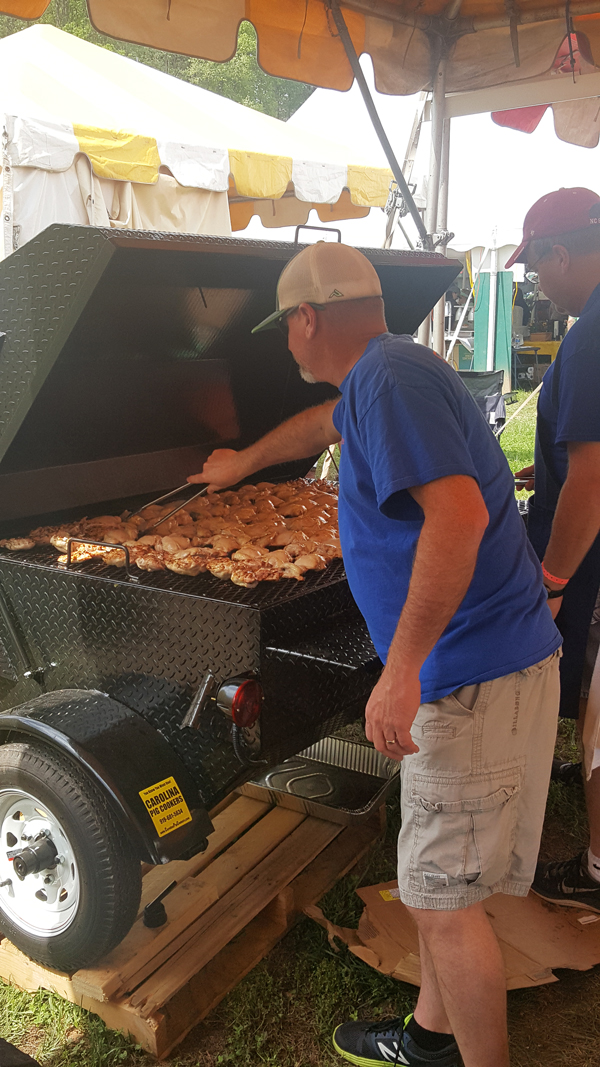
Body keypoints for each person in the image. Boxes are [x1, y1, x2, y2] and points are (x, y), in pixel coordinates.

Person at [189, 241, 561, 1067]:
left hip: (467, 679)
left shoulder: (388, 382)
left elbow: (457, 520)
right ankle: (431, 1038)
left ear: (308, 317)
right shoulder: (386, 372)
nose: (285, 345)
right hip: (497, 665)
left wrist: (400, 672)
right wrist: (245, 462)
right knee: (447, 888)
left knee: (442, 906)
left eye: (286, 328)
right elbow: (323, 423)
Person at [510, 187, 600, 912]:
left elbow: (594, 479)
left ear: (560, 254)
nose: (537, 285)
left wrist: (553, 579)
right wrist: (550, 467)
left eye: (536, 269)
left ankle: (596, 872)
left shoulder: (594, 330)